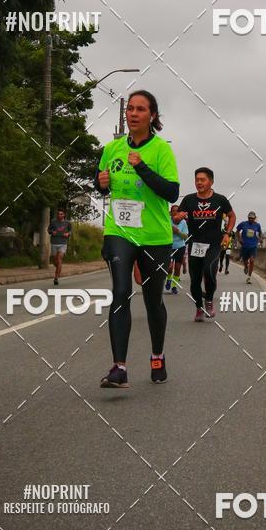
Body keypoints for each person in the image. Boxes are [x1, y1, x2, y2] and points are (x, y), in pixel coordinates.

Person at [95, 90, 179, 388]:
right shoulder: (112, 149)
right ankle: (119, 367)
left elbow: (172, 193)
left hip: (155, 235)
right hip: (119, 231)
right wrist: (100, 183)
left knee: (153, 300)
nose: (133, 113)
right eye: (130, 108)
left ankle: (157, 355)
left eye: (140, 109)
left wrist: (141, 167)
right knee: (120, 292)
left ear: (152, 116)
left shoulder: (161, 151)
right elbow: (103, 184)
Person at [175, 168, 235, 321]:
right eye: (197, 180)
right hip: (195, 244)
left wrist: (227, 233)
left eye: (203, 179)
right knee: (194, 280)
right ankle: (198, 308)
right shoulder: (188, 200)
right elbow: (175, 219)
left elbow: (231, 215)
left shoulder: (220, 200)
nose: (199, 182)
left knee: (209, 271)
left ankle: (209, 300)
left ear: (211, 181)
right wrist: (179, 216)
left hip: (214, 244)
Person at [165, 205, 188, 294]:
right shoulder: (167, 221)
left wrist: (177, 232)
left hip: (180, 247)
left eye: (177, 211)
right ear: (171, 212)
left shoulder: (183, 223)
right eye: (173, 211)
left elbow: (185, 236)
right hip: (169, 246)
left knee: (177, 268)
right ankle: (169, 279)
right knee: (170, 267)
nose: (175, 212)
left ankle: (174, 286)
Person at [48, 207, 72, 285]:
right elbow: (48, 230)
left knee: (59, 259)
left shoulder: (67, 223)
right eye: (58, 214)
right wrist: (52, 232)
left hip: (63, 243)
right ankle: (58, 267)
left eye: (61, 214)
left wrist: (68, 234)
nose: (59, 215)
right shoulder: (53, 222)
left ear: (64, 215)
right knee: (55, 262)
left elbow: (70, 231)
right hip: (54, 243)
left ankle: (56, 278)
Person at [236, 212, 262, 284]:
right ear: (248, 218)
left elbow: (260, 233)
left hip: (253, 246)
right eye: (249, 218)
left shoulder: (257, 225)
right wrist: (239, 239)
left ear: (254, 218)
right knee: (245, 261)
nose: (250, 219)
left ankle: (249, 277)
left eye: (252, 218)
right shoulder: (243, 224)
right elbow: (237, 231)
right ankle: (245, 266)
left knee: (252, 260)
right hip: (245, 246)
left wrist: (260, 239)